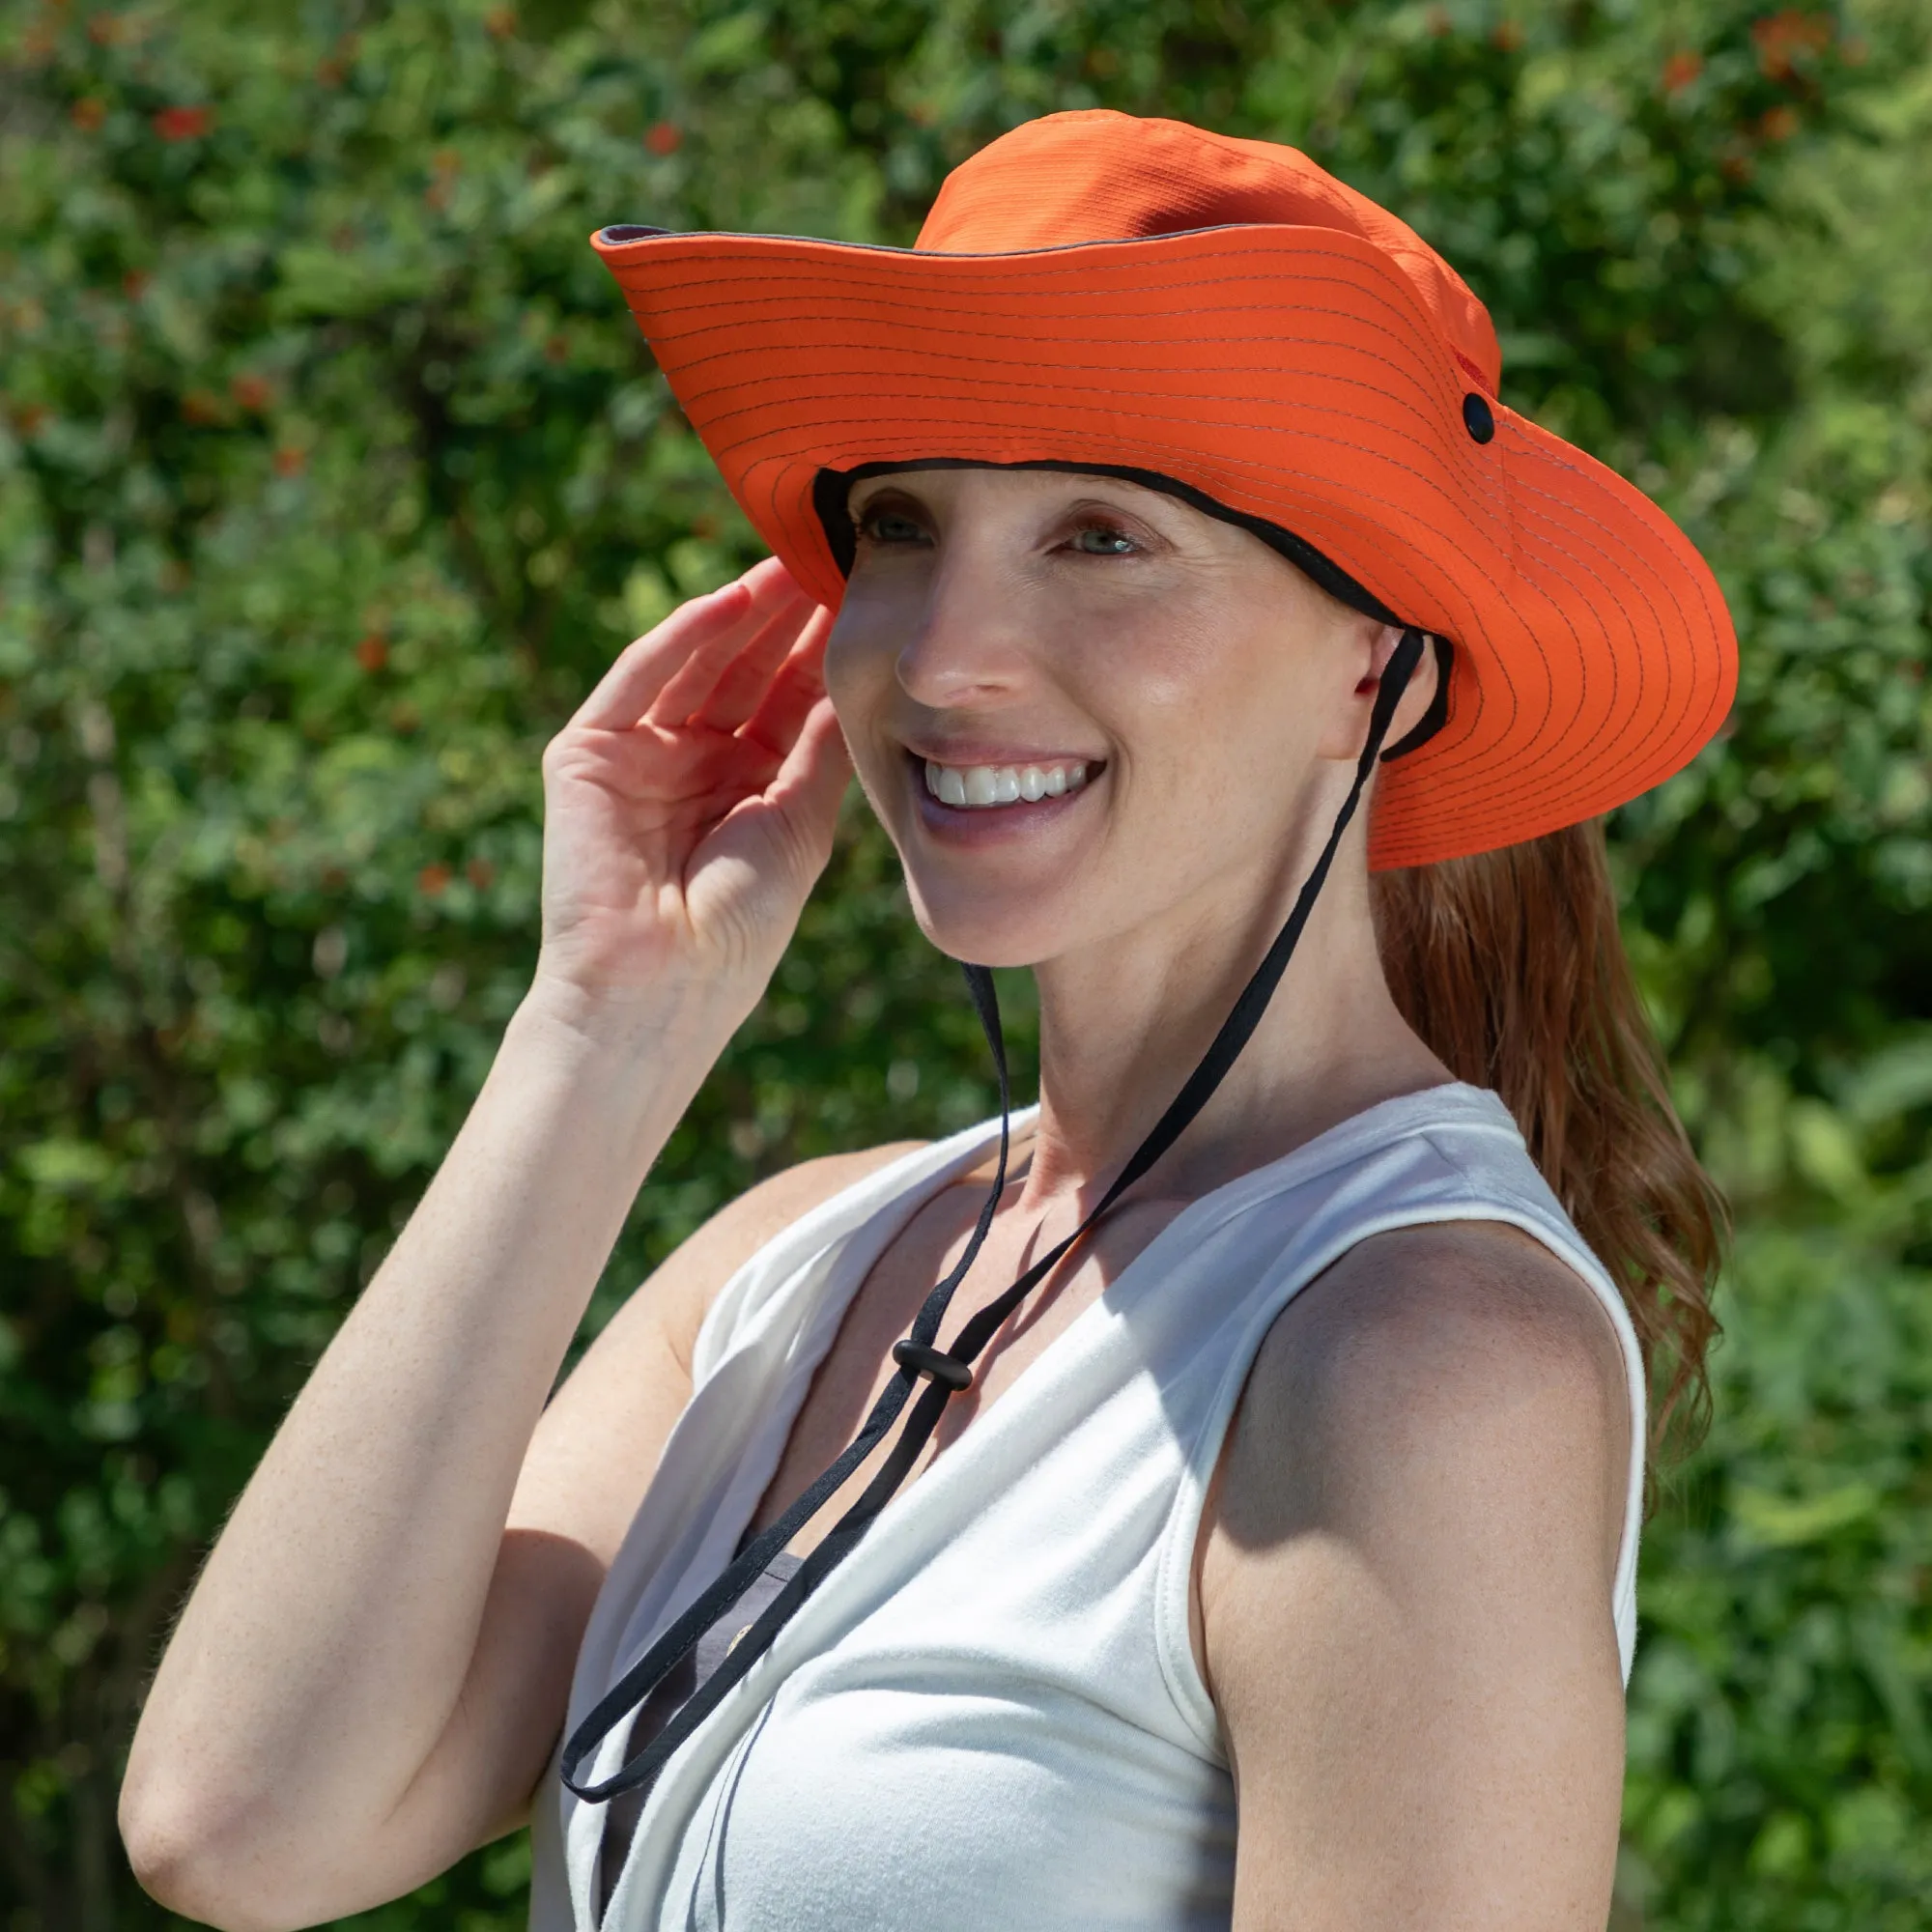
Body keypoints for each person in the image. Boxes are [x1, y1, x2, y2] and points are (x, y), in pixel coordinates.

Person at [120, 111, 1731, 1932]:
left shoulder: (1421, 1353)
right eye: (903, 526)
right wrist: (599, 1028)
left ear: (1381, 658)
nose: (951, 651)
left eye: (1102, 537)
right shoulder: (795, 1267)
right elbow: (242, 1822)